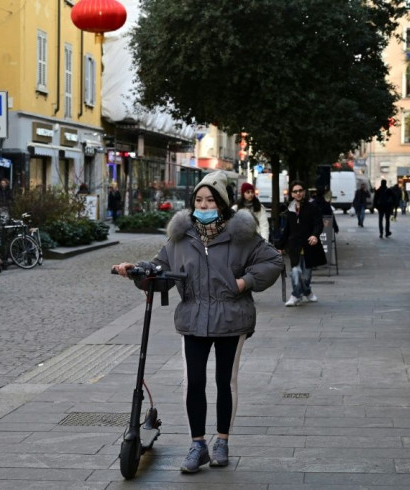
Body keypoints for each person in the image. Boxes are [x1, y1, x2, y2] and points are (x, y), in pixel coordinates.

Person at [112, 171, 283, 473]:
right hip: (193, 318)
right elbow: (160, 268)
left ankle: (222, 441)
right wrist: (137, 270)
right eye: (199, 201)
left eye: (210, 201)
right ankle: (197, 444)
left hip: (232, 318)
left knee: (224, 382)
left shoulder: (242, 235)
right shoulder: (181, 237)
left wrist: (244, 283)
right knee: (194, 382)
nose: (204, 206)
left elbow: (273, 261)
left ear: (222, 204)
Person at [275, 180, 327, 307]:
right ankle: (295, 295)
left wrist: (315, 235)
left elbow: (318, 224)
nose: (298, 193)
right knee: (295, 272)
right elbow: (287, 230)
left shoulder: (312, 208)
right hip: (294, 247)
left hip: (309, 246)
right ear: (292, 194)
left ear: (304, 192)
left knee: (306, 276)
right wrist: (280, 246)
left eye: (300, 191)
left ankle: (307, 291)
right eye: (295, 191)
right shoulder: (290, 210)